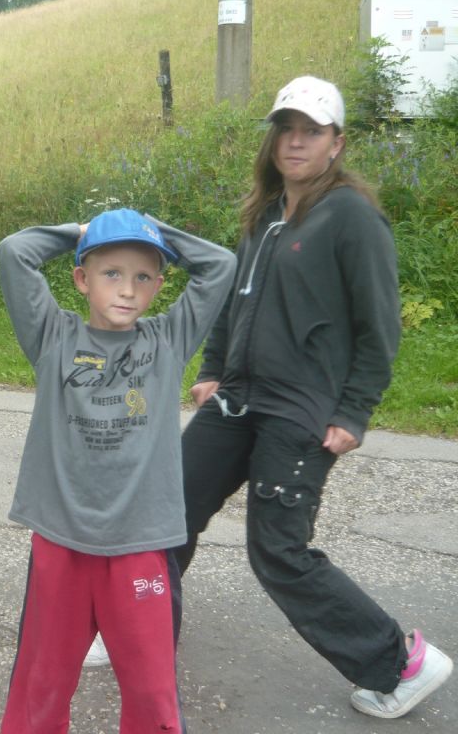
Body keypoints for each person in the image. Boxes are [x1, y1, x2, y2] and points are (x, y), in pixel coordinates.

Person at [174, 75, 454, 719]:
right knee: (168, 508)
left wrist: (354, 410)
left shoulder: (351, 216)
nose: (295, 141)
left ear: (337, 142)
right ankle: (139, 624)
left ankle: (401, 663)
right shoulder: (266, 213)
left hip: (300, 410)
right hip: (238, 398)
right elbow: (234, 300)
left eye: (311, 131)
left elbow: (379, 325)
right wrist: (214, 368)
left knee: (278, 550)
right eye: (286, 129)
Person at [0, 208, 236, 732]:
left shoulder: (167, 341)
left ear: (159, 286)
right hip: (61, 537)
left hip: (140, 541)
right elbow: (15, 252)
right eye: (111, 273)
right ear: (81, 279)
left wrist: (152, 229)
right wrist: (81, 234)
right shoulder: (53, 337)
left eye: (143, 277)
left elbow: (220, 265)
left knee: (151, 688)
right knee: (43, 681)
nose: (128, 290)